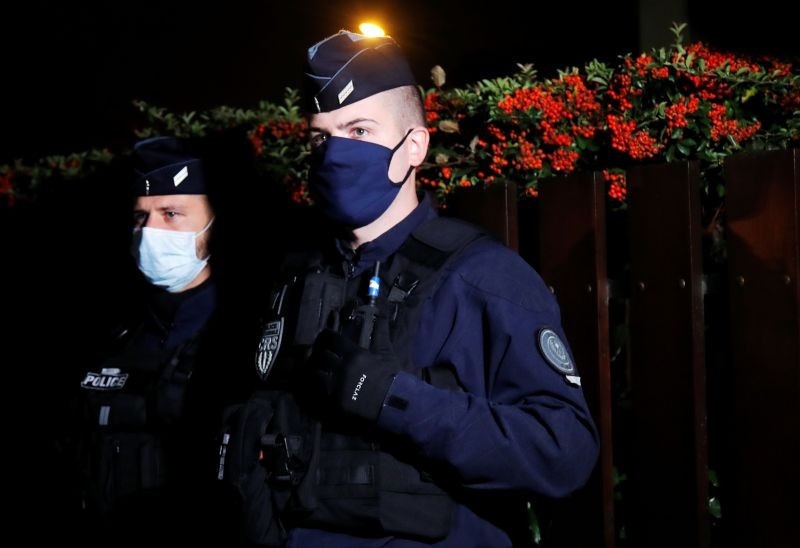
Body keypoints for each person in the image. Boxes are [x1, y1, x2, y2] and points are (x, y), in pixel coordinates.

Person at [223, 30, 599, 547]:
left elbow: (565, 452)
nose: (335, 152)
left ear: (414, 146)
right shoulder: (296, 276)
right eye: (319, 137)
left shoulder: (483, 277)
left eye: (358, 130)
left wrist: (398, 401)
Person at [69, 135, 241, 544]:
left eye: (171, 214)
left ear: (215, 225)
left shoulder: (243, 336)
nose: (150, 232)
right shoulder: (111, 334)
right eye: (140, 217)